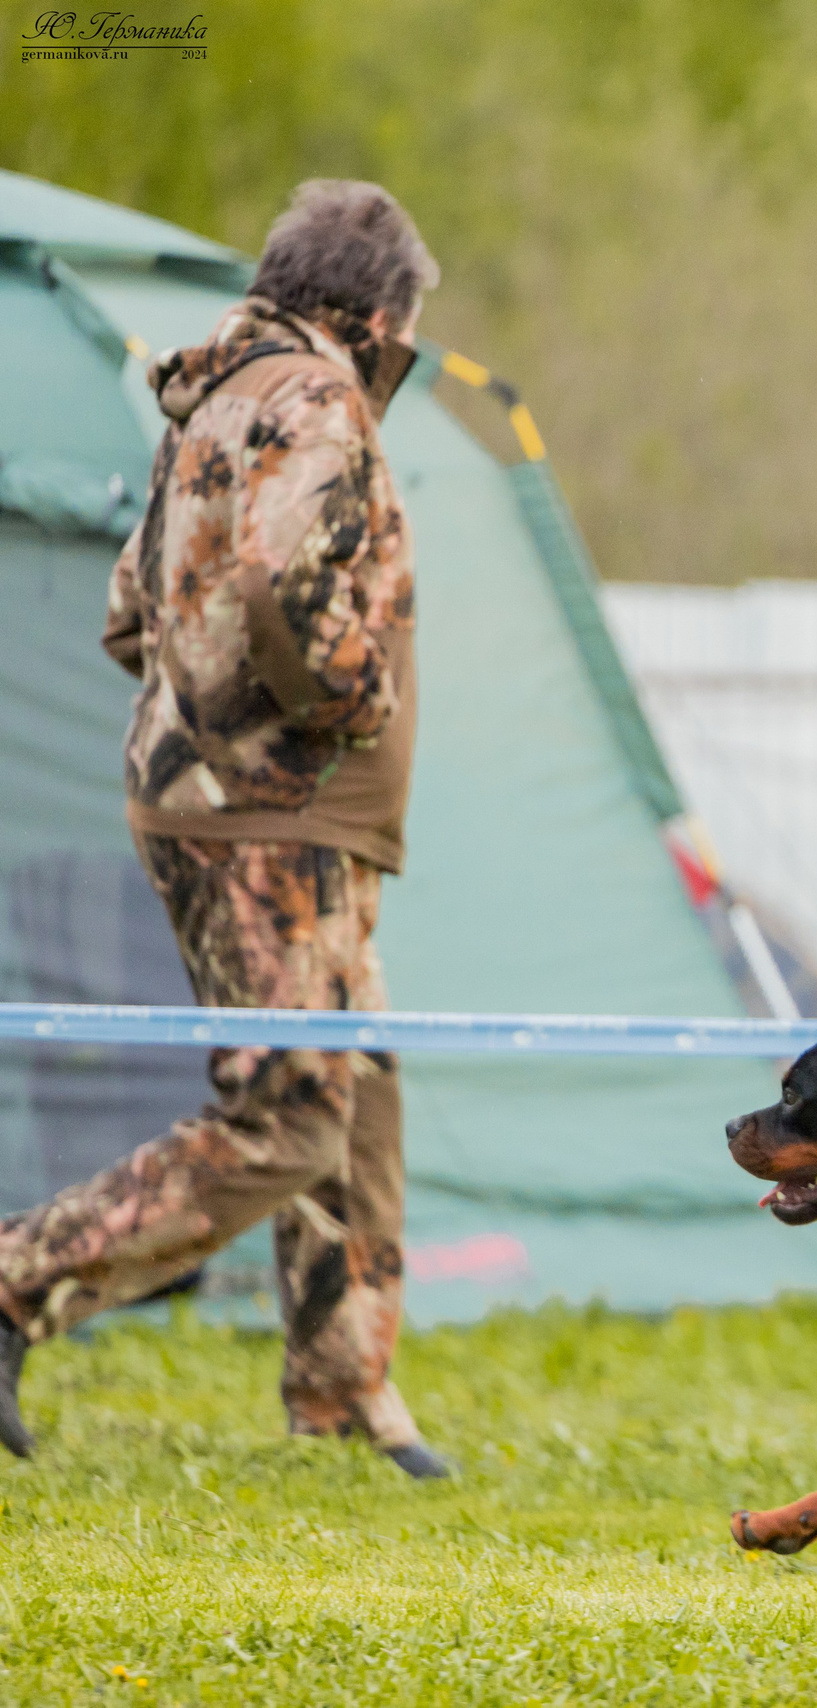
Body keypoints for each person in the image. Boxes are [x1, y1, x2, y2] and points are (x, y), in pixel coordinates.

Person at [0, 181, 447, 1478]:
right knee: (287, 1122)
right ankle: (16, 1278)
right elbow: (278, 577)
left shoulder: (217, 396)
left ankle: (343, 1391)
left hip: (262, 808)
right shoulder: (316, 397)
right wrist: (351, 701)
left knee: (356, 1096)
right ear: (376, 314)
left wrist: (200, 708)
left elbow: (131, 607)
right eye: (411, 325)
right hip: (270, 815)